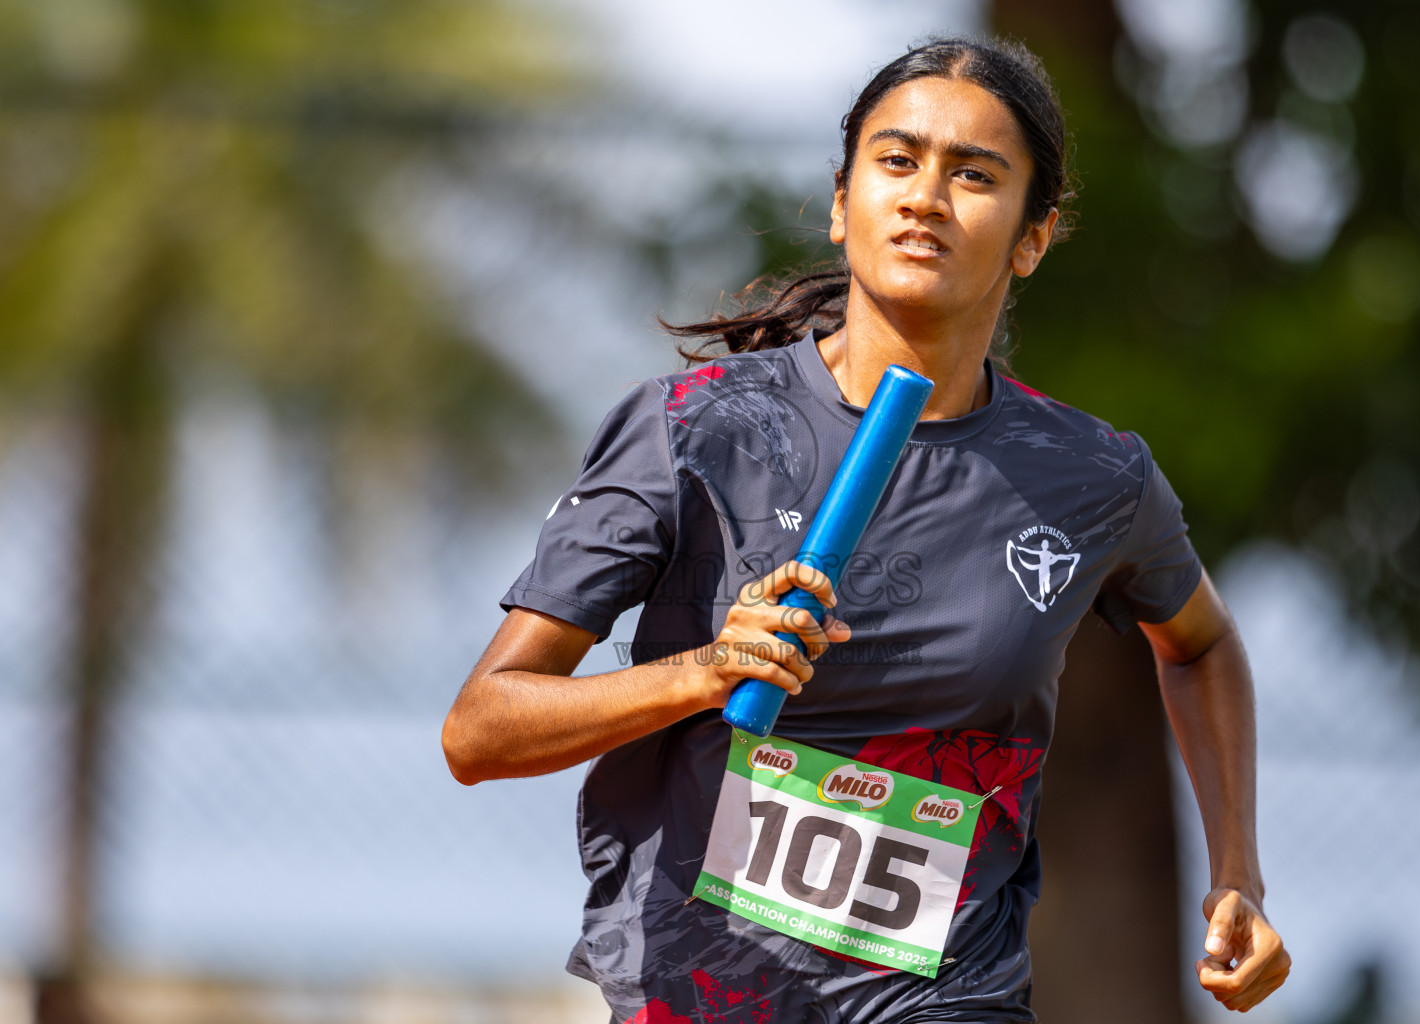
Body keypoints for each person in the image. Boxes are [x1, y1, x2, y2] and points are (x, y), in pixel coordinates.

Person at [442, 35, 1290, 1022]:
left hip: (948, 996)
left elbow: (1202, 643)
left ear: (1032, 237)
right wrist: (703, 671)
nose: (928, 196)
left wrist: (1240, 871)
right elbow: (481, 729)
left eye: (975, 175)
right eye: (898, 161)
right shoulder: (694, 427)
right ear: (844, 205)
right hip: (702, 994)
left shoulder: (1094, 477)